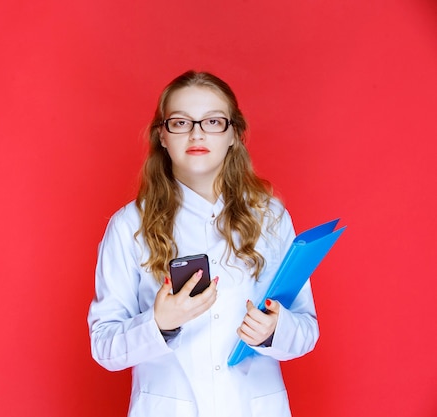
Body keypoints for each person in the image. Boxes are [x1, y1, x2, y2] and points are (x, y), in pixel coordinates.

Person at [87, 70, 319, 417]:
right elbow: (104, 346)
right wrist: (158, 324)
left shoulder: (269, 217)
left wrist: (274, 330)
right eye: (180, 122)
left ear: (234, 135)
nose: (197, 133)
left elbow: (306, 329)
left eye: (213, 121)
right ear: (162, 136)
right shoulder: (129, 226)